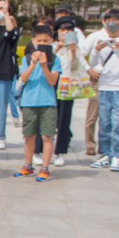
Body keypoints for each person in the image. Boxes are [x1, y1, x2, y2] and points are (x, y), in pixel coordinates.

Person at [83, 9, 119, 172]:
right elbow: (94, 62)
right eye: (109, 21)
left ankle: (117, 155)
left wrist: (118, 50)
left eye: (116, 21)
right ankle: (105, 154)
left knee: (118, 122)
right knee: (105, 122)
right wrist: (97, 50)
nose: (112, 24)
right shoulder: (100, 39)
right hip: (104, 85)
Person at [14, 25, 62, 182]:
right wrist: (34, 63)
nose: (42, 43)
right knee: (29, 135)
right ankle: (28, 165)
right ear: (33, 41)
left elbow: (52, 81)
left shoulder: (55, 59)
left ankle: (45, 168)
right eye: (39, 40)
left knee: (48, 135)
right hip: (29, 101)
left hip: (48, 102)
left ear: (52, 42)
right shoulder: (27, 58)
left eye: (46, 41)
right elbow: (23, 79)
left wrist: (44, 65)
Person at [51, 18, 88, 166]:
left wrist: (73, 52)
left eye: (69, 31)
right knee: (48, 118)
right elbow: (47, 61)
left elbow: (75, 67)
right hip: (51, 85)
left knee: (64, 120)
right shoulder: (52, 45)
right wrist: (58, 48)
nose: (65, 33)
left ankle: (60, 151)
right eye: (62, 30)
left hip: (67, 87)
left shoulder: (76, 48)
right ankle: (40, 150)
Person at [0, 0, 21, 147]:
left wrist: (6, 11)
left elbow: (10, 31)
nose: (1, 13)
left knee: (2, 107)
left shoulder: (11, 30)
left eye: (4, 10)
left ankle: (0, 136)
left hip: (5, 70)